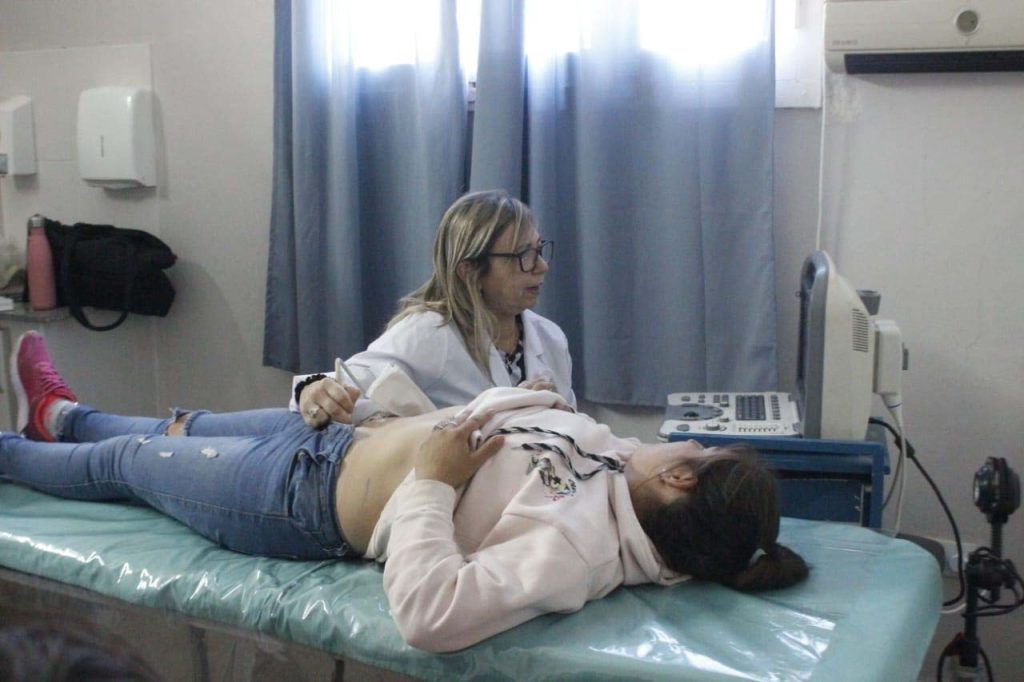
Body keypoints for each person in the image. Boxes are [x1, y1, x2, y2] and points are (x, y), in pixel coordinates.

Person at [1, 332, 808, 653]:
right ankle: (60, 416)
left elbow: (431, 615)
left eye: (697, 448)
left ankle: (20, 447)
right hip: (336, 436)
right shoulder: (618, 461)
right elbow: (516, 420)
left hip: (301, 497)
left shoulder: (577, 551)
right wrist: (531, 401)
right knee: (177, 427)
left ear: (679, 478)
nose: (683, 439)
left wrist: (431, 484)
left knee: (129, 465)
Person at [292, 189, 574, 428]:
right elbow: (347, 381)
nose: (542, 266)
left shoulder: (550, 337)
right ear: (469, 270)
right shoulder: (431, 331)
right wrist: (312, 390)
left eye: (539, 250)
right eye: (524, 255)